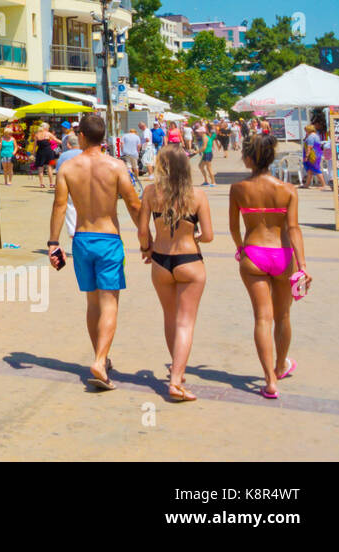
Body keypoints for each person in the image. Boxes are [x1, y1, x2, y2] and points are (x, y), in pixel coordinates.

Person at [49, 114, 142, 391]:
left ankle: (100, 357)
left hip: (82, 239)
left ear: (82, 137)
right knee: (110, 302)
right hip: (109, 239)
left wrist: (53, 242)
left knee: (92, 303)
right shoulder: (116, 167)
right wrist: (145, 237)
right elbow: (134, 204)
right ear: (103, 137)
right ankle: (100, 361)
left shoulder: (68, 167)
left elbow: (59, 207)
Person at [229, 133, 311, 399]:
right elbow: (294, 228)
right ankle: (280, 365)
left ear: (250, 158)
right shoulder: (288, 190)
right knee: (283, 315)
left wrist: (241, 248)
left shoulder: (239, 188)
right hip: (283, 255)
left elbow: (233, 226)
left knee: (262, 318)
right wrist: (303, 264)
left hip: (253, 254)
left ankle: (269, 380)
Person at [136, 146, 213, 401]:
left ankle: (176, 366)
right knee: (185, 323)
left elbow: (142, 230)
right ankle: (176, 379)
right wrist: (196, 235)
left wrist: (146, 249)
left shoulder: (150, 192)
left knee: (170, 318)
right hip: (189, 260)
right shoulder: (197, 195)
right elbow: (209, 236)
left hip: (160, 260)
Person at [302, 124, 328, 190]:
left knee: (316, 169)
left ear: (309, 130)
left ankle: (323, 184)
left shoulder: (311, 137)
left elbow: (309, 147)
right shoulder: (316, 136)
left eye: (306, 130)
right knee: (310, 170)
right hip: (317, 154)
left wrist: (307, 156)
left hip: (312, 156)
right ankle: (307, 184)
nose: (305, 131)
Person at [34, 123, 58, 190]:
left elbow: (35, 145)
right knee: (50, 167)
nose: (48, 129)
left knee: (40, 168)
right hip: (49, 152)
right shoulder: (48, 134)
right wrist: (64, 142)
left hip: (40, 153)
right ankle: (51, 183)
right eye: (48, 127)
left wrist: (33, 154)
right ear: (46, 128)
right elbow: (56, 140)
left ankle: (41, 184)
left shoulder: (37, 134)